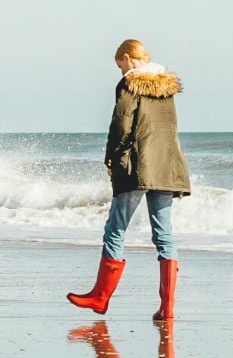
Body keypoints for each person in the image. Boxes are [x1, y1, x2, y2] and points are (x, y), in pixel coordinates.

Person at [67, 39, 190, 319]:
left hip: (137, 164)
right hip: (167, 165)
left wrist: (111, 158)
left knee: (116, 227)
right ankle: (167, 307)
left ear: (127, 58)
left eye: (120, 64)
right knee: (164, 234)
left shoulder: (130, 83)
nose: (120, 70)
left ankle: (100, 297)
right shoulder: (166, 87)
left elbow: (122, 123)